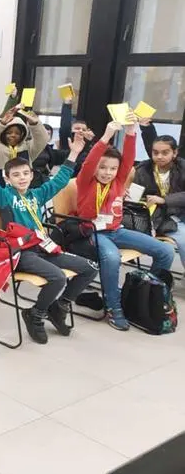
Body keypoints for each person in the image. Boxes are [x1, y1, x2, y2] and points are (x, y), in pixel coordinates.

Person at [0, 136, 98, 344]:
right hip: (20, 252)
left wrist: (74, 154)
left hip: (42, 248)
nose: (22, 178)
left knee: (89, 267)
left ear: (32, 175)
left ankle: (59, 307)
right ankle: (35, 314)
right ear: (7, 178)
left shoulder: (37, 195)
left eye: (26, 173)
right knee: (58, 277)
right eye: (16, 175)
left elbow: (60, 180)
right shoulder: (5, 197)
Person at [75, 119, 175, 331]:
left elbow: (128, 160)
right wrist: (105, 137)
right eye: (102, 167)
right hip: (93, 232)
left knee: (165, 251)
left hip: (117, 231)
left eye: (112, 168)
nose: (107, 172)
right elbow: (89, 163)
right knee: (112, 258)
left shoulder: (118, 181)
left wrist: (131, 132)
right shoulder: (86, 181)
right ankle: (114, 307)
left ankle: (144, 294)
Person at [133, 134, 185, 268]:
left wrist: (164, 200)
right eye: (155, 153)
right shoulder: (143, 169)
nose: (159, 156)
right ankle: (157, 284)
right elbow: (134, 198)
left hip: (180, 213)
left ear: (175, 153)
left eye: (165, 152)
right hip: (158, 218)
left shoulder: (183, 167)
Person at [0, 104, 50, 186]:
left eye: (17, 133)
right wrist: (1, 123)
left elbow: (42, 139)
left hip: (23, 192)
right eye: (9, 133)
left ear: (23, 135)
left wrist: (35, 124)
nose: (13, 135)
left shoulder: (28, 148)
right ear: (2, 133)